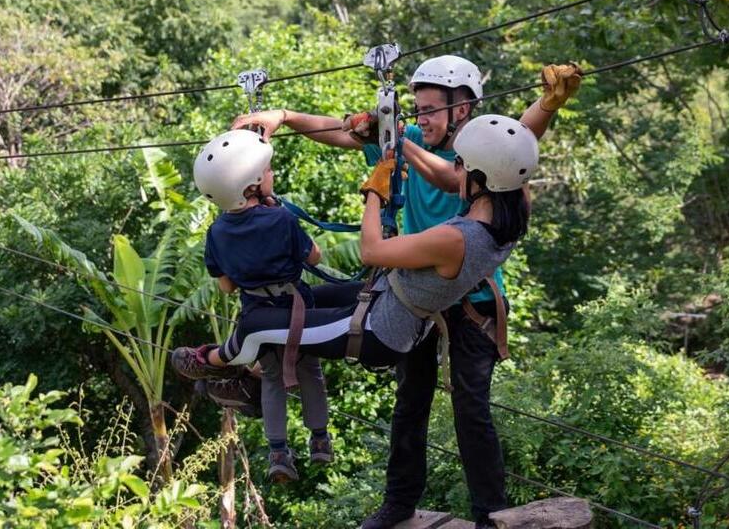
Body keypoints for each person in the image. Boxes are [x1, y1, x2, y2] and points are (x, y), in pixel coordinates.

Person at [229, 57, 581, 527]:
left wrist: (548, 104)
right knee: (409, 402)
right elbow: (340, 131)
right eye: (415, 111)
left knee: (470, 410)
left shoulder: (480, 157)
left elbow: (515, 138)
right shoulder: (412, 137)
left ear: (463, 110)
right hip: (414, 300)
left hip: (471, 302)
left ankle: (491, 513)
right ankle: (399, 504)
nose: (422, 119)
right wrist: (287, 117)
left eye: (431, 110)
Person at [173, 113, 539, 426]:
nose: (454, 172)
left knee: (257, 325)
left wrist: (375, 192)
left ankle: (211, 361)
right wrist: (547, 106)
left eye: (460, 165)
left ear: (482, 178)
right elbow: (512, 152)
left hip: (379, 330)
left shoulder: (457, 238)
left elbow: (371, 250)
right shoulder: (508, 215)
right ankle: (251, 378)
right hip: (387, 299)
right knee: (301, 301)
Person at [185, 128, 333, 483]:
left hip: (257, 316)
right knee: (309, 370)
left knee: (271, 377)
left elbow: (225, 286)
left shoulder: (216, 233)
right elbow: (315, 255)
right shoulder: (281, 218)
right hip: (296, 309)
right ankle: (320, 441)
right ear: (251, 183)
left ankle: (279, 451)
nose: (272, 175)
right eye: (267, 171)